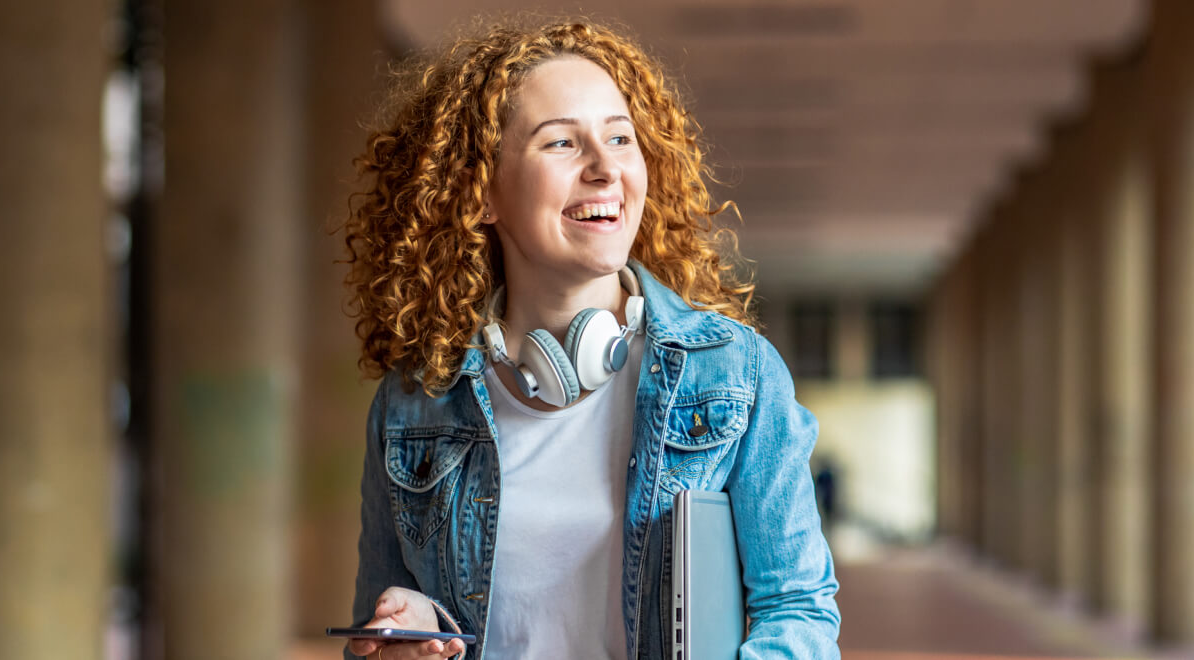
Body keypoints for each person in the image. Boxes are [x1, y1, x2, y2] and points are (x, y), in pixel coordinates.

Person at [340, 19, 840, 660]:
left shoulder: (734, 374)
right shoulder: (413, 404)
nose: (606, 169)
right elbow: (375, 631)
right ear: (482, 191)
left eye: (620, 138)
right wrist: (404, 632)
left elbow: (797, 610)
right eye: (561, 144)